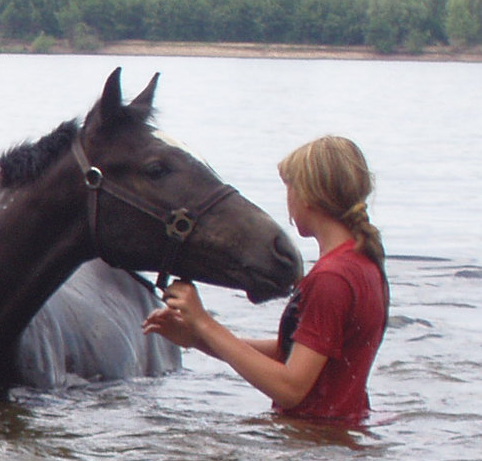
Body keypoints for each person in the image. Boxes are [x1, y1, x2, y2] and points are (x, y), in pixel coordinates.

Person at [142, 136, 389, 422]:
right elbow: (290, 352)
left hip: (310, 444)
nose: (288, 201)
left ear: (309, 196)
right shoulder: (364, 264)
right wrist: (197, 337)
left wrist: (204, 322)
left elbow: (290, 389)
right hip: (340, 438)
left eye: (290, 188)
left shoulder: (331, 278)